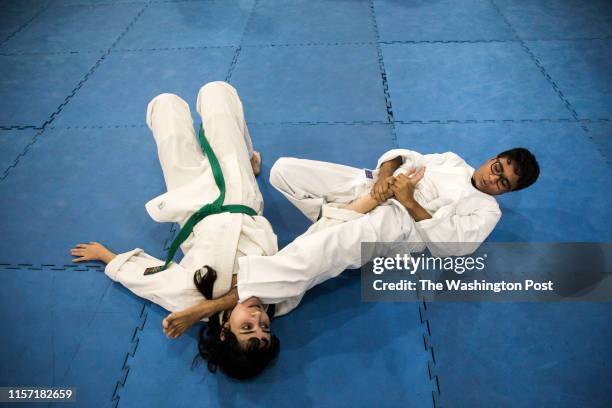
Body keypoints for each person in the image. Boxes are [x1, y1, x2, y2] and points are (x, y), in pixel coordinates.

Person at [70, 81, 283, 379]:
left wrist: (107, 257)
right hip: (240, 195)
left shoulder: (189, 302)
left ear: (224, 331)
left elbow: (152, 283)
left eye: (246, 327)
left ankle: (180, 117)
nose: (258, 316)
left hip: (191, 204)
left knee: (166, 110)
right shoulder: (280, 295)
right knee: (217, 94)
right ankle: (249, 162)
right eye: (264, 327)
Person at [233, 147, 540, 311]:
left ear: (507, 192)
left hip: (399, 226)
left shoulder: (486, 210)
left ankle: (241, 291)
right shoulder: (453, 161)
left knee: (325, 248)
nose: (492, 179)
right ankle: (334, 218)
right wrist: (384, 176)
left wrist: (409, 201)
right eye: (497, 168)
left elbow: (453, 247)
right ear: (492, 159)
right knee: (286, 171)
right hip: (373, 187)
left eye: (503, 183)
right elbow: (403, 156)